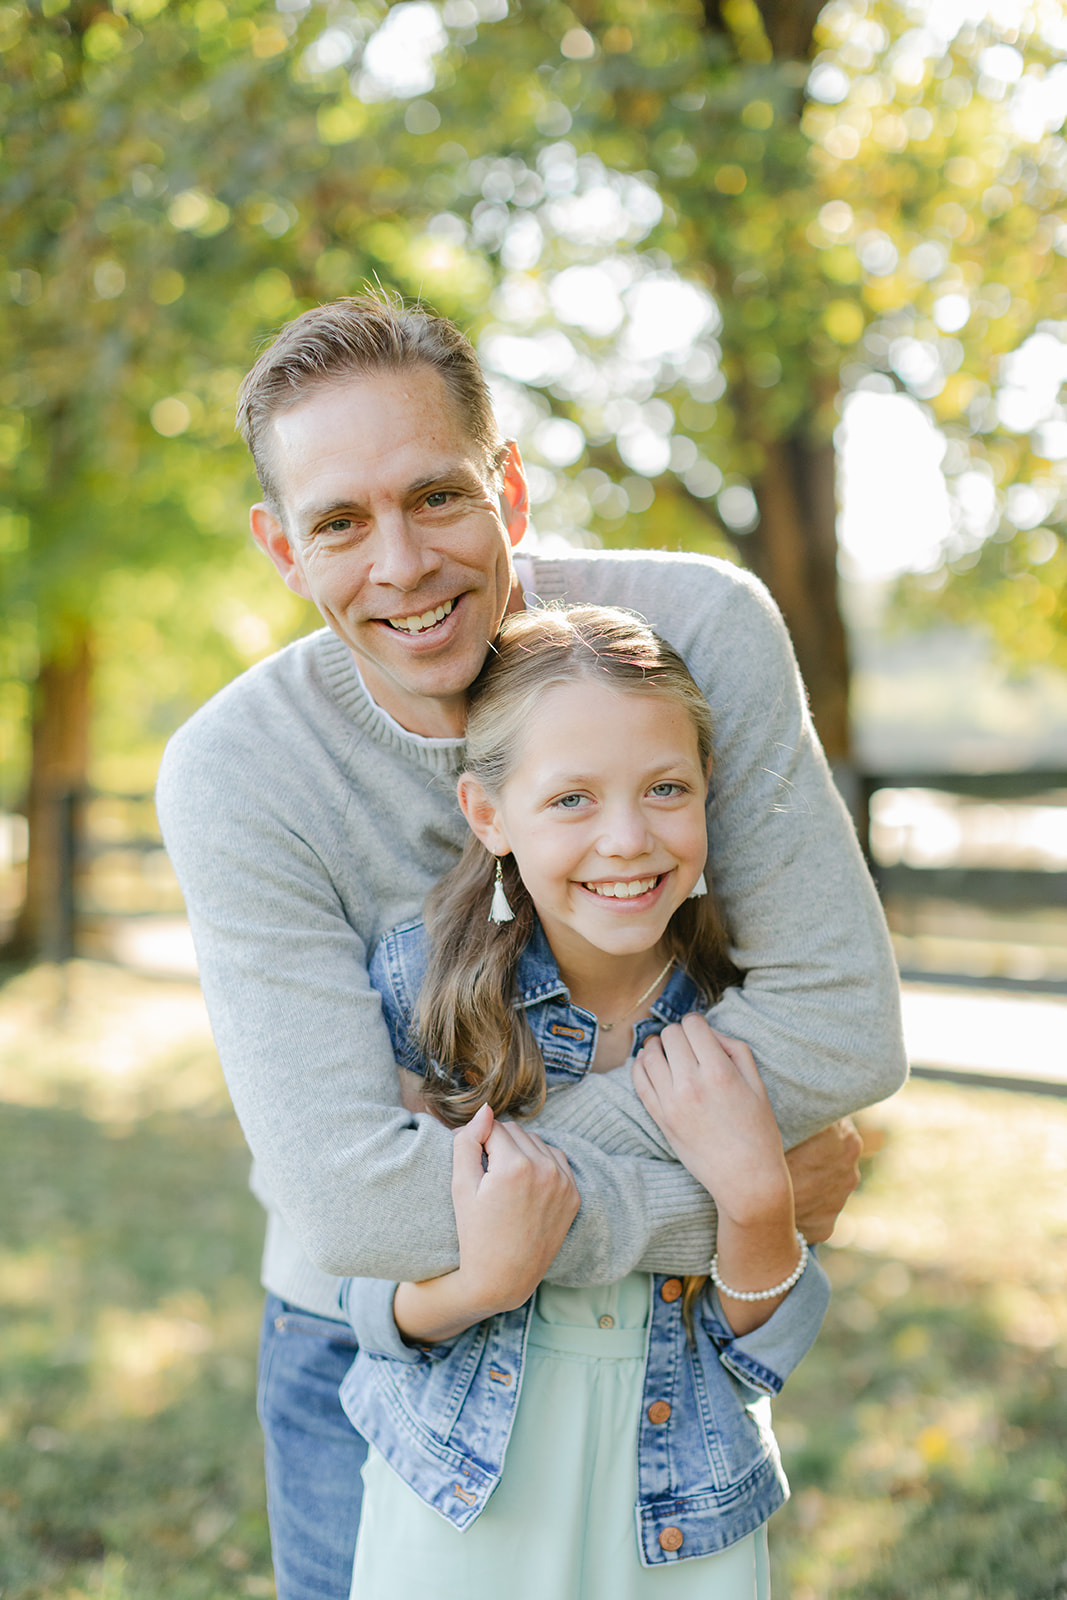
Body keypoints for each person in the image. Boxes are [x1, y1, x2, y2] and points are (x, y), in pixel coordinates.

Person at [155, 292, 906, 1600]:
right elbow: (351, 1202)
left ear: (506, 486)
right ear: (282, 548)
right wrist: (737, 1194)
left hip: (664, 1362)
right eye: (339, 521)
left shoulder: (691, 639)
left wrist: (474, 1169)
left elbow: (837, 1023)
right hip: (376, 1341)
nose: (397, 564)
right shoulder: (235, 770)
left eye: (434, 496)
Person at [341, 604, 832, 1599]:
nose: (625, 839)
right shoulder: (422, 994)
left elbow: (761, 1347)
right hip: (461, 1489)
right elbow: (365, 1294)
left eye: (664, 788)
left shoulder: (750, 1014)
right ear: (489, 816)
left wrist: (752, 1201)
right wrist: (482, 1278)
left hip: (680, 1497)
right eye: (570, 798)